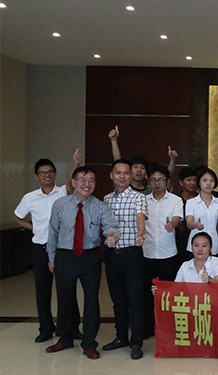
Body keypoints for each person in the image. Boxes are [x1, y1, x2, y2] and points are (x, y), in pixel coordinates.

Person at [45, 166, 118, 360]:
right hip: (65, 256)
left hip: (90, 257)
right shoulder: (60, 204)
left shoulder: (100, 206)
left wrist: (112, 237)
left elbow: (111, 227)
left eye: (91, 180)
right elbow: (52, 232)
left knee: (91, 300)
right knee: (65, 298)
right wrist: (51, 258)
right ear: (74, 182)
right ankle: (65, 338)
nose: (87, 184)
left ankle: (89, 343)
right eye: (83, 180)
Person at [13, 153, 80, 343]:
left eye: (50, 171)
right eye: (43, 173)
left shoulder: (62, 192)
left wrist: (76, 163)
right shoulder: (30, 198)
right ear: (37, 176)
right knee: (43, 290)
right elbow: (17, 217)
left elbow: (71, 184)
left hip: (62, 248)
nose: (47, 175)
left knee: (67, 289)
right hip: (41, 248)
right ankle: (45, 328)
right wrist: (34, 228)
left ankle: (72, 327)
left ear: (55, 173)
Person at [102, 159, 147, 360]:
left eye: (126, 173)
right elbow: (105, 224)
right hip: (112, 255)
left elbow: (140, 217)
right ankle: (121, 337)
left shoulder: (139, 197)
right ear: (111, 175)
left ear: (131, 176)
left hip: (132, 254)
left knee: (135, 301)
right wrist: (107, 236)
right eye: (118, 173)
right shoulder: (106, 199)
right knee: (118, 300)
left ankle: (136, 342)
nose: (122, 176)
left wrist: (141, 233)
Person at [141, 164, 183, 339]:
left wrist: (172, 224)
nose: (157, 183)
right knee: (146, 292)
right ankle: (147, 326)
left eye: (160, 180)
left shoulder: (175, 200)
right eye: (153, 179)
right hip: (147, 252)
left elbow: (177, 218)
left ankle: (167, 327)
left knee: (168, 293)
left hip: (168, 253)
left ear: (166, 181)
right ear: (148, 181)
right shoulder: (143, 200)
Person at [185, 167, 218, 256]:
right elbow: (189, 223)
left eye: (211, 180)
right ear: (199, 182)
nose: (208, 183)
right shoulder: (191, 202)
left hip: (214, 245)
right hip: (196, 245)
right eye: (205, 180)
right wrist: (195, 225)